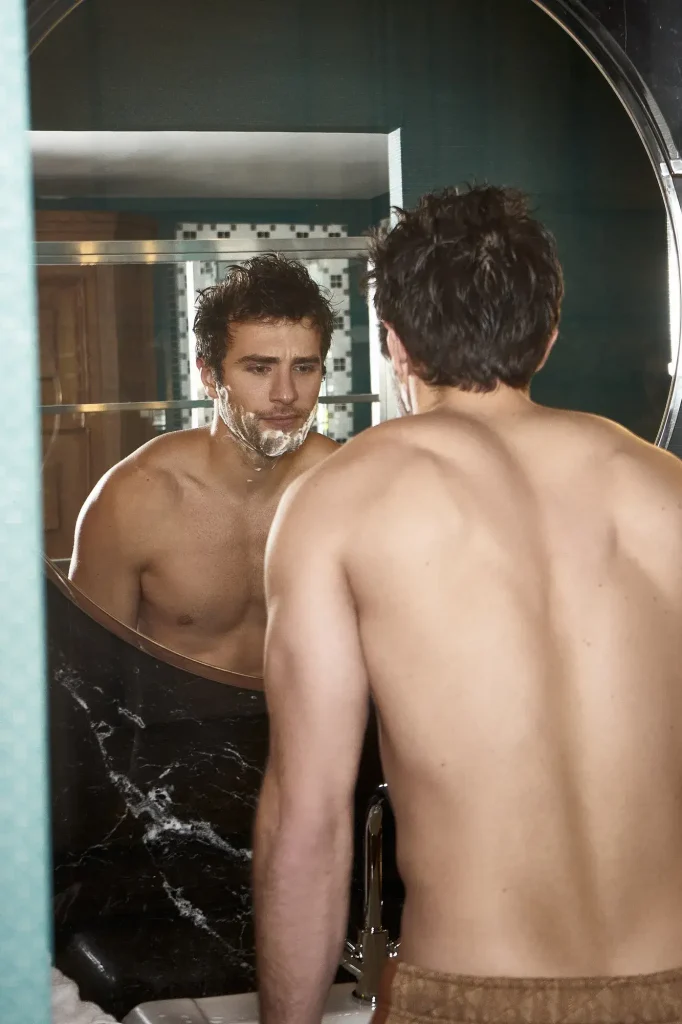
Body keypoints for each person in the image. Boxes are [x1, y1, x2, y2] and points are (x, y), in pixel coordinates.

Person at [253, 185, 682, 1024]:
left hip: (471, 996)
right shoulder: (665, 489)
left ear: (394, 342)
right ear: (548, 333)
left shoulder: (340, 501)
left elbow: (310, 827)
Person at [69, 254, 337, 675]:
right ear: (210, 376)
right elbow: (87, 677)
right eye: (259, 368)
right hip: (173, 717)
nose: (286, 393)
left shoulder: (346, 488)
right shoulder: (133, 499)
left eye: (304, 367)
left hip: (312, 713)